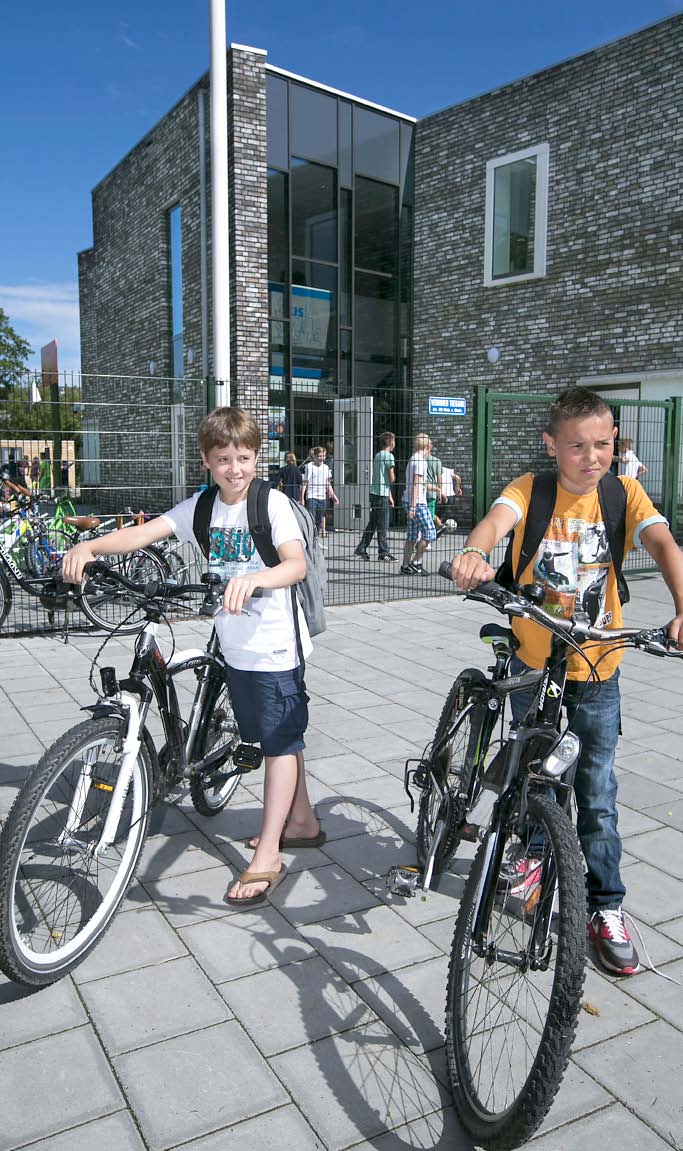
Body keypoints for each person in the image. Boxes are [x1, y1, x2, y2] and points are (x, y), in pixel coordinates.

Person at [450, 386, 683, 976]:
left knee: (598, 794)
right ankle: (530, 857)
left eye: (602, 444)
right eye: (577, 446)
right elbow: (494, 524)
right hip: (535, 662)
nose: (591, 456)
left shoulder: (622, 492)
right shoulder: (531, 489)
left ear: (614, 444)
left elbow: (662, 542)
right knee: (536, 777)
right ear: (551, 445)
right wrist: (475, 554)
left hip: (599, 667)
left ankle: (605, 908)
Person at [61, 406, 322, 908]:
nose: (235, 469)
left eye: (243, 457)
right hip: (234, 641)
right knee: (278, 736)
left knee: (279, 741)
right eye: (223, 459)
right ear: (206, 461)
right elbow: (143, 533)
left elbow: (294, 565)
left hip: (274, 646)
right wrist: (91, 547)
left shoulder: (272, 505)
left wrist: (255, 577)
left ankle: (269, 854)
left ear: (255, 457)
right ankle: (304, 821)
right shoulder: (202, 507)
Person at [354, 431, 396, 561]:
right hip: (381, 494)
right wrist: (394, 477)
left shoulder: (378, 455)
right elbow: (391, 478)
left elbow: (381, 477)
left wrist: (390, 496)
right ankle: (383, 552)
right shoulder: (389, 456)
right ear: (391, 443)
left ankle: (361, 548)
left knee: (372, 523)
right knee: (382, 525)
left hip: (375, 492)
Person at [400, 432, 436, 576]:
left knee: (412, 535)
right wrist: (414, 507)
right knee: (430, 532)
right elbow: (416, 484)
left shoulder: (413, 459)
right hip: (417, 502)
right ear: (428, 446)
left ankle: (405, 565)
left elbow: (419, 483)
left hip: (407, 500)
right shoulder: (421, 461)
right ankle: (417, 562)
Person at [301, 445, 339, 537]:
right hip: (312, 496)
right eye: (320, 456)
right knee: (311, 518)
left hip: (322, 496)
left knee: (320, 518)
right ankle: (310, 537)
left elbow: (328, 483)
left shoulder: (326, 468)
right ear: (314, 456)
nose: (322, 458)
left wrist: (333, 495)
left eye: (324, 456)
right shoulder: (309, 467)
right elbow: (305, 483)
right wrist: (302, 497)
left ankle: (316, 537)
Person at [436, 463, 462, 538]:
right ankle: (437, 533)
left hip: (442, 495)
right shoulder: (448, 470)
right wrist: (457, 489)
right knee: (440, 515)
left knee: (433, 514)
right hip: (451, 496)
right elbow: (457, 478)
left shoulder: (434, 469)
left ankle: (439, 529)